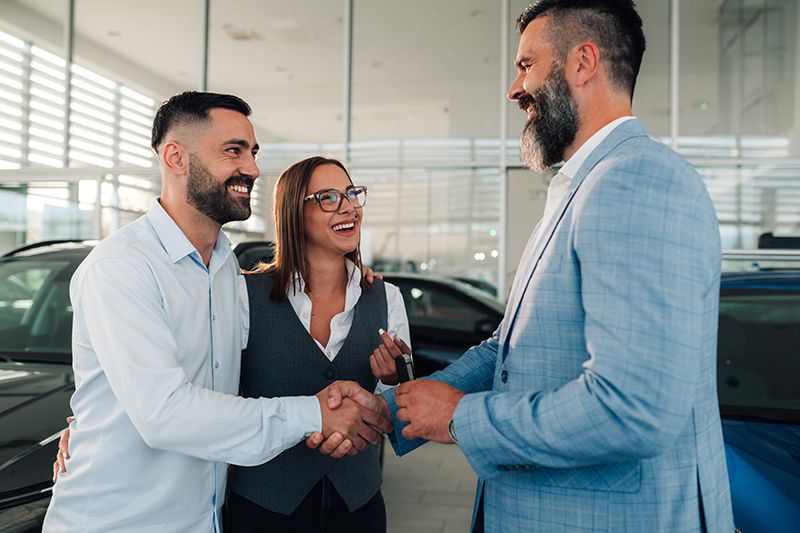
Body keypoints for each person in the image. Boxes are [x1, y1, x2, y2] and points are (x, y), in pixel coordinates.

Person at [322, 1, 735, 531]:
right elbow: (511, 349)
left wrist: (457, 417)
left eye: (526, 65)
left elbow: (633, 407)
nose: (514, 90)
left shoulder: (635, 182)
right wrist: (402, 410)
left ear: (583, 62)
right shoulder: (580, 187)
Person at [43, 92, 390, 533]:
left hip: (206, 520)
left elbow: (239, 382)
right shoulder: (121, 267)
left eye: (253, 152)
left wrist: (346, 277)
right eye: (233, 151)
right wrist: (315, 413)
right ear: (175, 157)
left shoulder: (228, 271)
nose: (252, 169)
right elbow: (165, 413)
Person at [223, 156, 410, 533]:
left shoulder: (386, 298)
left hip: (359, 507)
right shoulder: (244, 295)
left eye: (352, 194)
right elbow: (211, 392)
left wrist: (394, 381)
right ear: (294, 212)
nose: (349, 207)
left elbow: (402, 413)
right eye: (328, 197)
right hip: (263, 509)